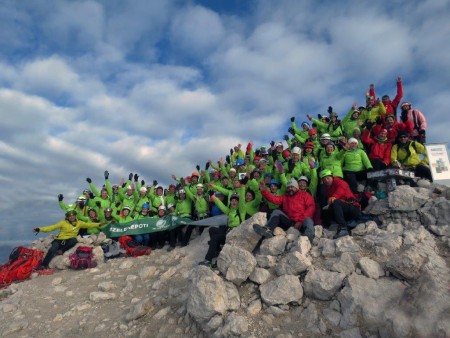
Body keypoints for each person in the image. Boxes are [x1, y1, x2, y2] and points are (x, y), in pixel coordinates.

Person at [32, 210, 103, 270]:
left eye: (73, 215)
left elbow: (89, 225)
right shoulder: (63, 222)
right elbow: (52, 227)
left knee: (74, 240)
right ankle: (44, 265)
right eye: (70, 216)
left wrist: (99, 224)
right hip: (59, 240)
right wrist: (40, 229)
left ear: (75, 216)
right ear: (67, 217)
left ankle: (61, 251)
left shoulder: (79, 223)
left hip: (69, 240)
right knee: (53, 248)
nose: (72, 217)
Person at [253, 178, 315, 242]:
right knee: (276, 212)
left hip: (302, 222)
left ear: (297, 187)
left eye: (292, 187)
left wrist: (300, 221)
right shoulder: (285, 197)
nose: (290, 189)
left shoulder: (305, 195)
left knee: (308, 220)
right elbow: (274, 199)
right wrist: (264, 191)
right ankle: (268, 230)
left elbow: (311, 208)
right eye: (288, 187)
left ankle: (309, 235)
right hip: (290, 222)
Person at [199, 190, 246, 266]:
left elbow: (242, 201)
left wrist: (243, 186)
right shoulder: (230, 211)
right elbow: (220, 205)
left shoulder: (241, 211)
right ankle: (217, 249)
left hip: (235, 236)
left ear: (238, 202)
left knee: (215, 238)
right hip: (228, 233)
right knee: (212, 230)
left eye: (236, 201)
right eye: (232, 200)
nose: (234, 202)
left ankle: (207, 260)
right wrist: (213, 197)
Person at [320, 170, 361, 239]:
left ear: (332, 177)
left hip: (353, 208)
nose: (326, 180)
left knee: (335, 202)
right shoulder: (328, 190)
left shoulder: (339, 182)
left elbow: (341, 189)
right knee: (325, 210)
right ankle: (334, 224)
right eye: (324, 179)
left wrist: (334, 197)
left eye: (328, 178)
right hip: (345, 212)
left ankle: (343, 228)